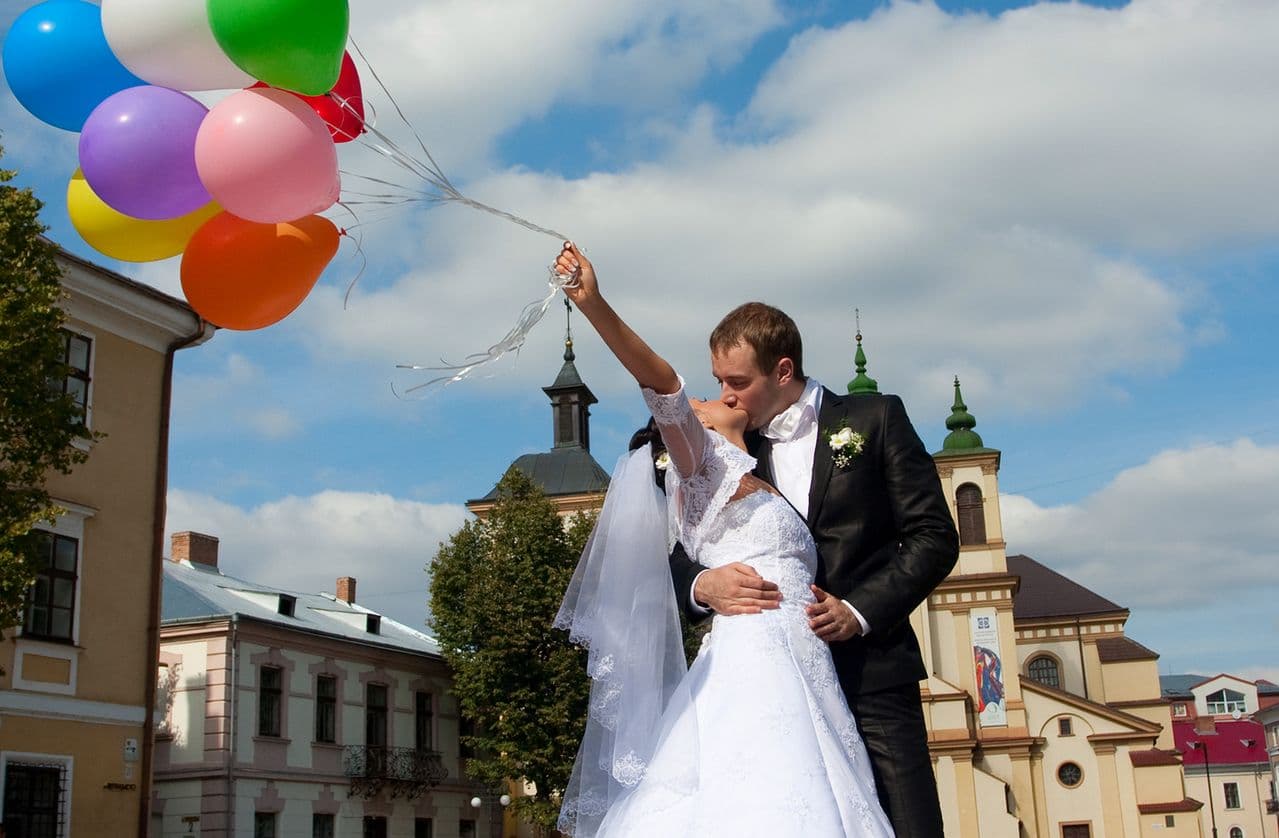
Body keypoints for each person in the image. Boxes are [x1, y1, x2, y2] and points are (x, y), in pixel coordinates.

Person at [553, 243, 895, 837]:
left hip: (810, 662)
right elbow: (660, 382)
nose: (723, 397)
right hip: (756, 658)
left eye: (731, 387)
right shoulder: (701, 463)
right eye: (710, 396)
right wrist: (595, 304)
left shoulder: (759, 469)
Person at [669, 300, 960, 836]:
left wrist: (858, 610)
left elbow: (934, 536)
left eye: (737, 381)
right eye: (718, 381)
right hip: (771, 683)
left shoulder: (876, 419)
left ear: (783, 370)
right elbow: (682, 549)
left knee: (908, 824)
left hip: (872, 673)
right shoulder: (727, 442)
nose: (726, 395)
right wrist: (703, 585)